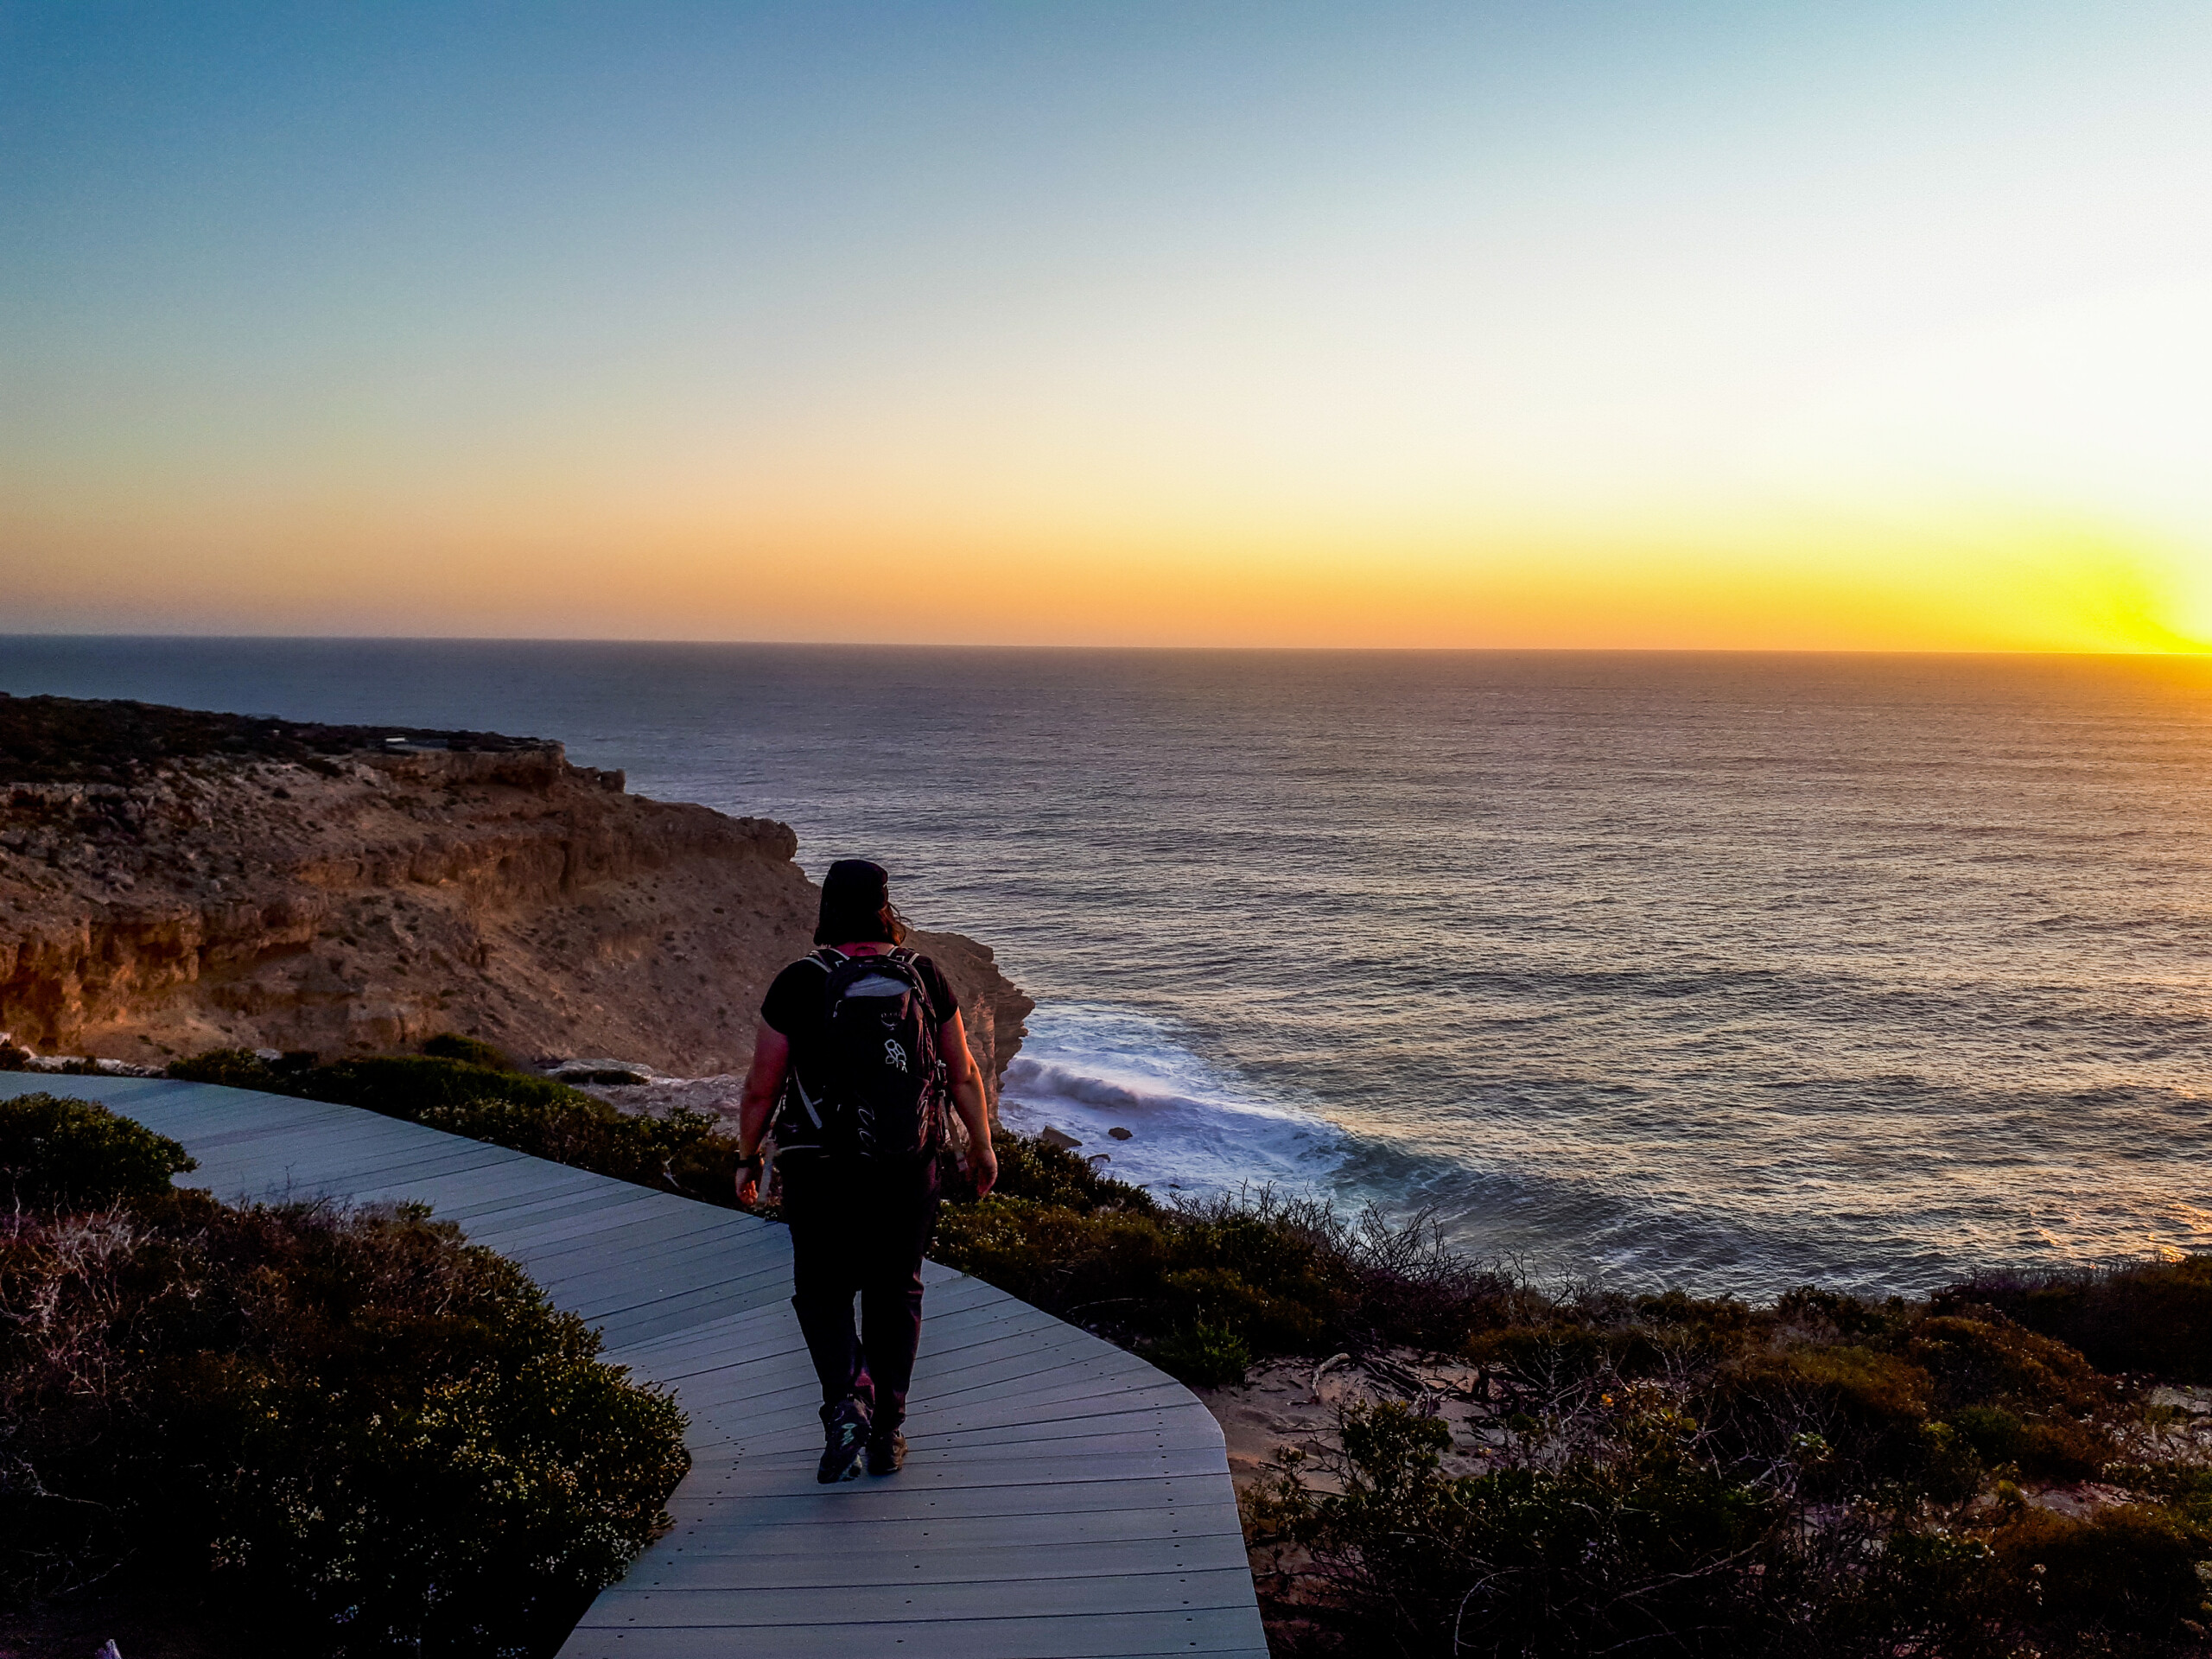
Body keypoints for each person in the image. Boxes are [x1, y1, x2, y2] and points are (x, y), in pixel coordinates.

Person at [734, 858, 999, 1484]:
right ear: (887, 905)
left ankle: (849, 1398)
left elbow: (761, 1086)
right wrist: (980, 1145)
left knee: (822, 1291)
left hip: (820, 1169)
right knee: (896, 1290)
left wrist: (747, 1157)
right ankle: (887, 1434)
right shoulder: (925, 975)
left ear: (828, 905)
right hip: (908, 1166)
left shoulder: (800, 980)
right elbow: (961, 1072)